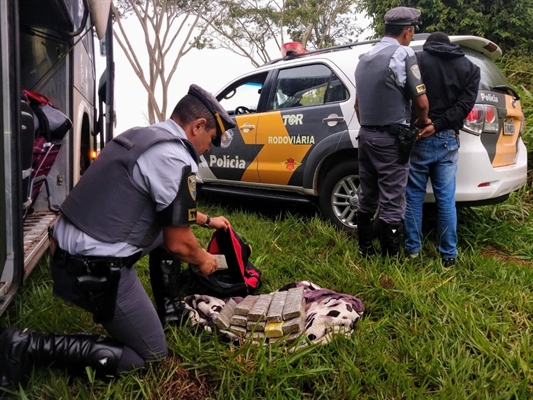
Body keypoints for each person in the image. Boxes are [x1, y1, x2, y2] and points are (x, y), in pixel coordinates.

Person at [0, 84, 236, 389]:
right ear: (198, 126)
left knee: (164, 238)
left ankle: (170, 311)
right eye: (211, 141)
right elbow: (180, 243)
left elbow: (167, 211)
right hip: (89, 269)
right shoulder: (177, 156)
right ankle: (27, 345)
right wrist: (204, 259)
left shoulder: (143, 136)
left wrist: (206, 221)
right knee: (151, 353)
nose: (208, 149)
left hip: (67, 246)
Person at [354, 6, 430, 258]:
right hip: (391, 139)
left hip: (365, 136)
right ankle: (391, 259)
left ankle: (365, 250)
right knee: (393, 200)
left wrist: (371, 127)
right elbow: (421, 102)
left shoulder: (364, 59)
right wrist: (422, 121)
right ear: (407, 31)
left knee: (367, 196)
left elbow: (357, 105)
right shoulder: (403, 53)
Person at [404, 32, 481, 267]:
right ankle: (448, 255)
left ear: (428, 45)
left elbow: (406, 96)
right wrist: (438, 125)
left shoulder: (416, 60)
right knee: (446, 199)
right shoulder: (470, 68)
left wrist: (425, 123)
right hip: (448, 138)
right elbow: (464, 106)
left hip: (419, 135)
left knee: (414, 196)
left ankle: (413, 252)